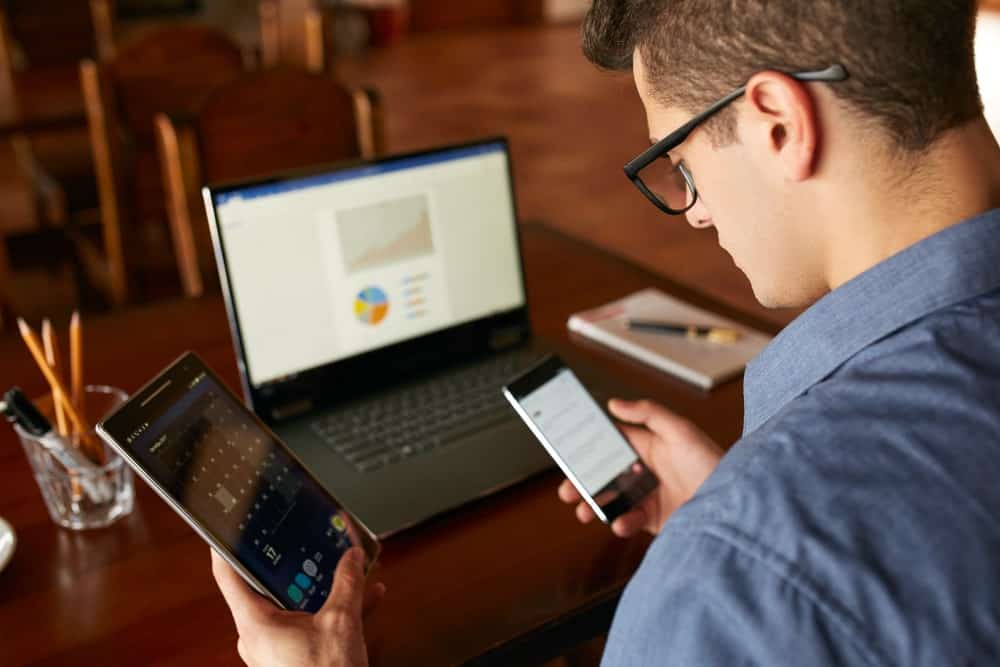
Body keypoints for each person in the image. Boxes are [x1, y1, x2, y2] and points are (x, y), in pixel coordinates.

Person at [211, 0, 1000, 664]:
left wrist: (740, 524)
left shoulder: (736, 583)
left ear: (778, 125)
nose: (694, 208)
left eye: (681, 161)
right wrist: (730, 500)